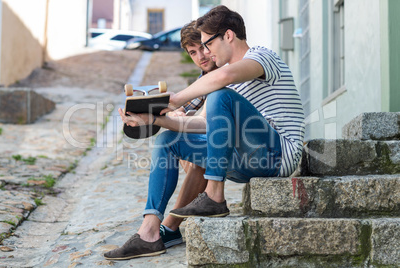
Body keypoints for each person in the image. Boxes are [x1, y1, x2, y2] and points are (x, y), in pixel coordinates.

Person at [105, 5, 304, 260]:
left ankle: (214, 195)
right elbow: (201, 126)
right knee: (168, 140)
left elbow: (228, 74)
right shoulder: (224, 87)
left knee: (220, 93)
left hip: (276, 156)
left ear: (228, 36)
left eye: (208, 44)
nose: (206, 53)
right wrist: (153, 119)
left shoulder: (262, 57)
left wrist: (176, 99)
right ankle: (150, 232)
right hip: (245, 163)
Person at [158, 20, 218, 249]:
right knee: (177, 138)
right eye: (193, 52)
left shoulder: (225, 72)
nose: (200, 56)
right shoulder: (204, 76)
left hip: (243, 147)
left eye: (203, 47)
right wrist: (177, 110)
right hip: (218, 143)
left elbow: (204, 121)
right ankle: (198, 199)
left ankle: (171, 225)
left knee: (198, 157)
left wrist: (177, 116)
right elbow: (189, 106)